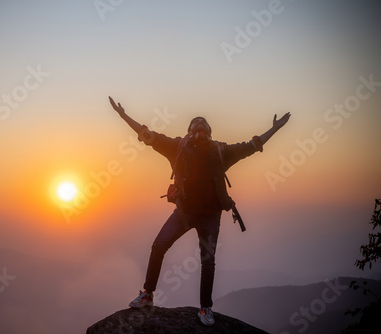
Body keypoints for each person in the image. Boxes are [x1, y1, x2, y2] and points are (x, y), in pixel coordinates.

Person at [109, 96, 291, 326]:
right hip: (186, 213)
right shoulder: (179, 147)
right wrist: (123, 116)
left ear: (209, 132)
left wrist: (273, 129)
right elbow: (147, 135)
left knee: (207, 261)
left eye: (203, 125)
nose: (200, 128)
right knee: (160, 247)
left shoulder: (219, 151)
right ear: (190, 131)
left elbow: (252, 146)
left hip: (207, 215)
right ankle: (149, 295)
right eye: (196, 125)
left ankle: (205, 308)